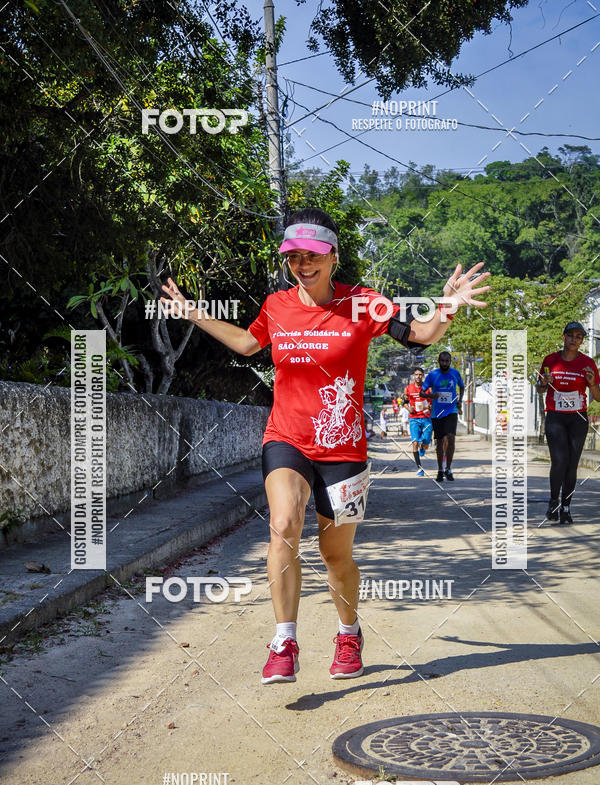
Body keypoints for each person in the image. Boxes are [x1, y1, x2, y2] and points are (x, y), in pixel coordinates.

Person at [160, 208, 490, 684]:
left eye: (312, 255)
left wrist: (448, 307)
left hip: (344, 449)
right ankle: (284, 641)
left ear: (333, 256)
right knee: (283, 525)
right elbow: (248, 345)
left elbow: (419, 336)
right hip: (287, 438)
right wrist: (195, 314)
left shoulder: (363, 303)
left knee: (335, 556)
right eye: (293, 256)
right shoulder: (276, 305)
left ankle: (348, 632)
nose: (303, 264)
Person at [537, 321, 600, 523]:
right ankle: (553, 501)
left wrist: (591, 383)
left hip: (578, 417)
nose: (574, 339)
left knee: (572, 463)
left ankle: (566, 507)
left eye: (579, 337)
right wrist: (544, 383)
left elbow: (598, 397)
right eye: (571, 335)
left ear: (582, 341)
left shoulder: (588, 364)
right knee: (560, 460)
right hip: (555, 416)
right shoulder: (551, 360)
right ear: (563, 337)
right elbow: (540, 388)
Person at [423, 352, 464, 482]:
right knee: (440, 442)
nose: (445, 363)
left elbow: (462, 387)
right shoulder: (432, 375)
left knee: (451, 437)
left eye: (447, 361)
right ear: (439, 361)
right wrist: (431, 396)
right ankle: (440, 469)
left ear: (450, 361)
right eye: (442, 361)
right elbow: (421, 392)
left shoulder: (455, 373)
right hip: (437, 413)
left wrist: (460, 401)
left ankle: (449, 468)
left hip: (451, 410)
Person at [403, 367, 433, 476]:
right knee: (415, 442)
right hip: (414, 418)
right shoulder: (408, 388)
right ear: (413, 376)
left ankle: (423, 446)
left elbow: (432, 402)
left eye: (420, 374)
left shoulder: (428, 388)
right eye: (416, 374)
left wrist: (428, 406)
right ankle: (419, 468)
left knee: (426, 442)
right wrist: (408, 408)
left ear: (423, 376)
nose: (418, 376)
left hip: (426, 418)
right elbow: (404, 402)